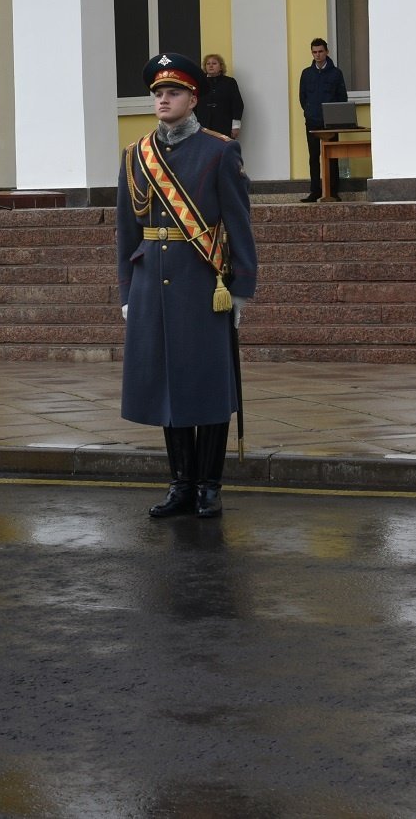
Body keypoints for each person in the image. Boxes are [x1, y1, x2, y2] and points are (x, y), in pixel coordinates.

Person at [118, 53, 258, 518]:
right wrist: (125, 292)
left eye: (172, 93)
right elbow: (126, 230)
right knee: (166, 385)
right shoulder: (136, 154)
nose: (163, 100)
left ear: (192, 99)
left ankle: (209, 484)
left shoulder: (219, 150)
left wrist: (240, 288)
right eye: (158, 93)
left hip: (203, 281)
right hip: (150, 284)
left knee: (207, 383)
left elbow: (239, 223)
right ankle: (180, 482)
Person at [297, 37, 349, 202]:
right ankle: (315, 191)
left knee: (332, 156)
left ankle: (333, 191)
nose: (317, 55)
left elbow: (342, 97)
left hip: (331, 122)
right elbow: (302, 97)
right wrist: (309, 111)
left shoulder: (336, 73)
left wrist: (335, 116)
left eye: (320, 51)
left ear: (327, 52)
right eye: (314, 52)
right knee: (314, 156)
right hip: (312, 121)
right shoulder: (306, 73)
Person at [197, 53, 243, 140]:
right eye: (208, 64)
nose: (211, 66)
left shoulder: (229, 82)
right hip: (202, 125)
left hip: (224, 125)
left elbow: (237, 104)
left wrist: (236, 126)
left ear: (221, 67)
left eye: (214, 63)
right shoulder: (200, 82)